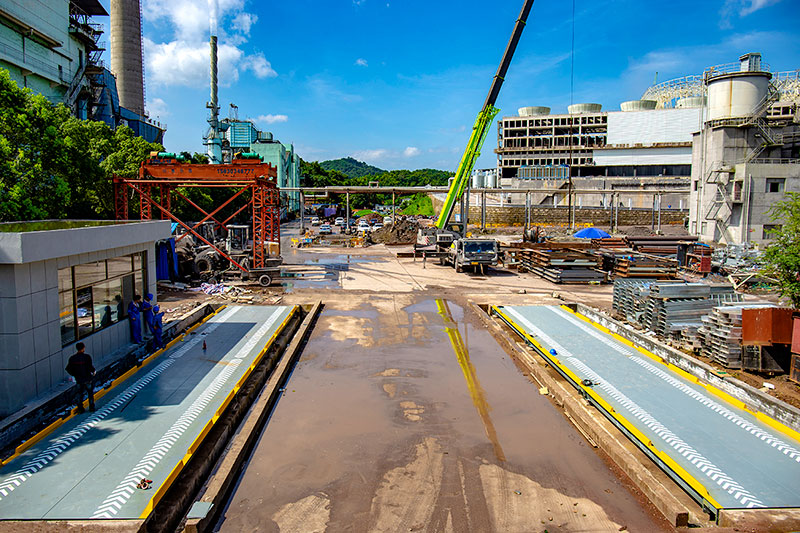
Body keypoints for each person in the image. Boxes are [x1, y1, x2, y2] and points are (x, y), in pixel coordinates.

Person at [66, 342, 95, 413]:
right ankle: (91, 407)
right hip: (87, 378)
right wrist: (93, 371)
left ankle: (80, 408)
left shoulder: (72, 358)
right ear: (83, 348)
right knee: (90, 393)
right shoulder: (87, 357)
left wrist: (74, 374)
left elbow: (68, 368)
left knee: (79, 393)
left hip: (79, 379)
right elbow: (90, 367)